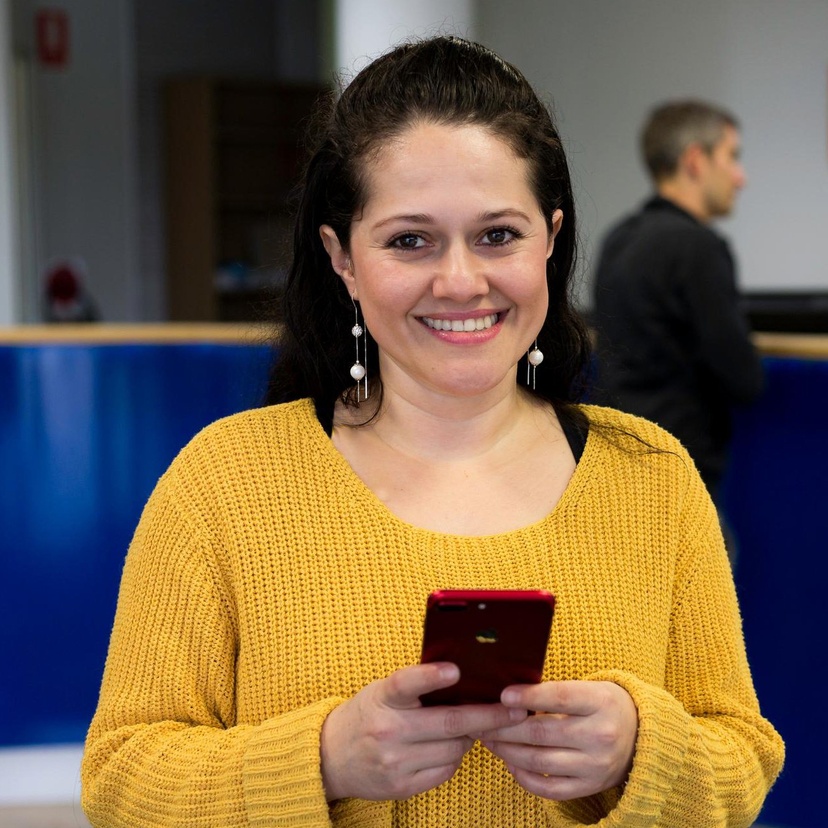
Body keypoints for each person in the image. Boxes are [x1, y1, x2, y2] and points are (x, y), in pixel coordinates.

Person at [81, 38, 783, 827]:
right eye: (409, 240)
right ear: (342, 257)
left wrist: (641, 749)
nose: (459, 281)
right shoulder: (223, 482)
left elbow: (742, 756)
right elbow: (120, 782)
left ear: (551, 239)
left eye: (498, 235)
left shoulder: (653, 477)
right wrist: (324, 759)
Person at [591, 100, 763, 501]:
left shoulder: (618, 238)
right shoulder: (697, 248)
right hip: (680, 472)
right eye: (732, 157)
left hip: (615, 458)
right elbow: (744, 379)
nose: (740, 178)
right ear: (695, 161)